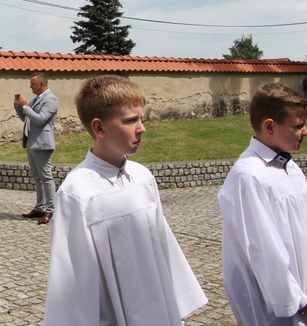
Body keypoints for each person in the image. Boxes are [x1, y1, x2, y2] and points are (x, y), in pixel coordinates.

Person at [44, 75, 207, 325]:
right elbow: (72, 279)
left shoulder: (142, 177)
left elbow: (162, 244)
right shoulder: (77, 193)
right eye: (131, 121)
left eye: (141, 118)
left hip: (159, 307)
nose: (142, 128)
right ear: (99, 128)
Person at [220, 83, 307, 325]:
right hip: (275, 303)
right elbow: (262, 250)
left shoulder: (291, 167)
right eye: (298, 126)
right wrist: (297, 299)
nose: (306, 131)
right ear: (269, 126)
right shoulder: (248, 176)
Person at [13, 71, 58, 224]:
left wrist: (26, 106)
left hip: (43, 144)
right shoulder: (36, 99)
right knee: (38, 178)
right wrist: (19, 106)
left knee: (46, 178)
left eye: (33, 83)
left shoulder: (51, 100)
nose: (30, 86)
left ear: (42, 84)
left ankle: (51, 210)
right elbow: (26, 118)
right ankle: (40, 207)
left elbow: (40, 120)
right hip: (32, 143)